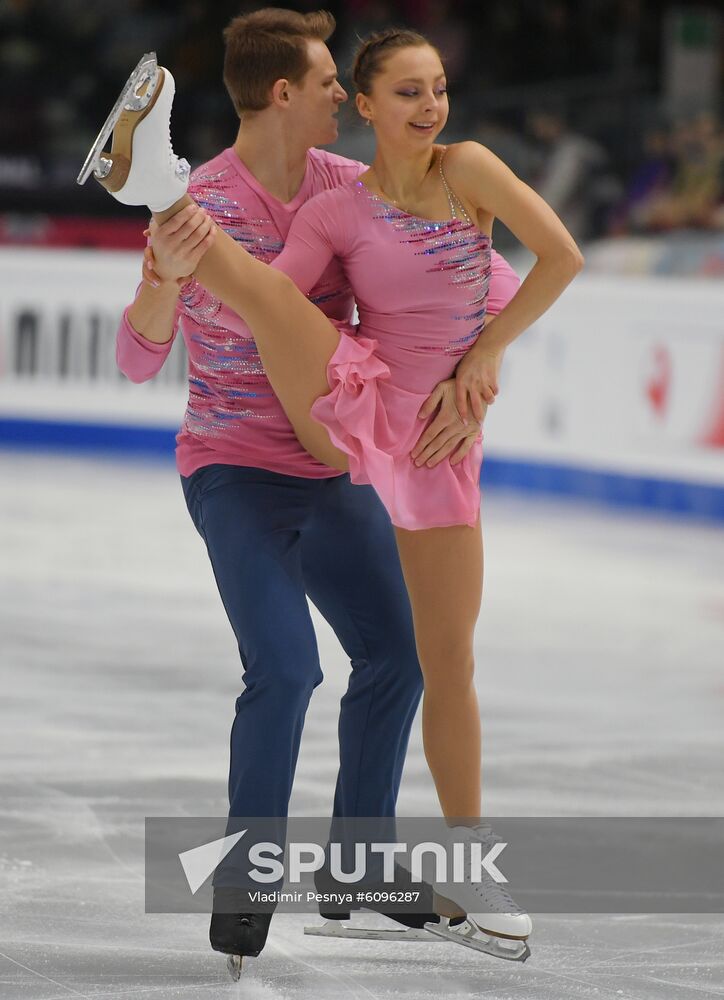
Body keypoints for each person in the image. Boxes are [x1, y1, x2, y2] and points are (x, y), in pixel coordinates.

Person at [101, 10, 523, 971]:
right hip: (237, 470)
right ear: (283, 92)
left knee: (403, 651)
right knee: (287, 669)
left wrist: (479, 361)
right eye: (332, 80)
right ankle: (248, 879)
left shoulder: (354, 186)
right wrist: (162, 284)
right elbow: (135, 359)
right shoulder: (205, 201)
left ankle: (357, 869)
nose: (347, 94)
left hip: (336, 462)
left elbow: (477, 277)